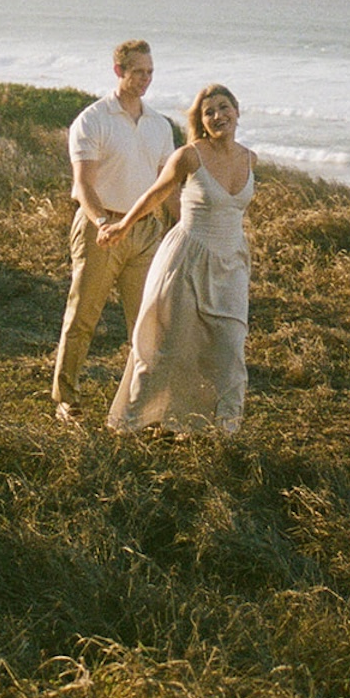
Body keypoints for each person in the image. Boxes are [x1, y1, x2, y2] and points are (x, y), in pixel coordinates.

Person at [101, 83, 254, 436]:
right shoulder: (189, 156)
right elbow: (156, 193)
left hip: (231, 264)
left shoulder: (250, 158)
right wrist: (123, 226)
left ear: (237, 111)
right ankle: (130, 425)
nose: (218, 116)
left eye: (223, 107)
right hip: (186, 260)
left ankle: (224, 433)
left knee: (231, 351)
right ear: (200, 121)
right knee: (166, 348)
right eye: (209, 112)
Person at [51, 39, 175, 425]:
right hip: (100, 230)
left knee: (146, 323)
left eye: (150, 72)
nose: (145, 79)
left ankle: (145, 406)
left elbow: (164, 188)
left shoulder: (160, 125)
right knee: (83, 316)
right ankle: (65, 399)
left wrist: (185, 227)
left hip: (145, 232)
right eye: (138, 71)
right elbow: (82, 186)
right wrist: (103, 223)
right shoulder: (93, 119)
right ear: (118, 71)